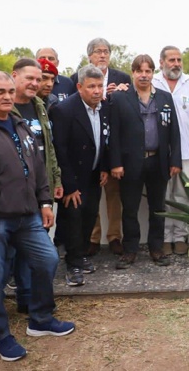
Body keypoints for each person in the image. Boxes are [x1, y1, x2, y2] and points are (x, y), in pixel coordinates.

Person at [0, 71, 74, 362]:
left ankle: (41, 319)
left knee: (48, 260)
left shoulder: (20, 124)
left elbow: (36, 167)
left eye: (10, 91)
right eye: (0, 92)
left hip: (28, 215)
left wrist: (45, 202)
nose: (8, 97)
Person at [108, 55, 182, 269]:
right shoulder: (120, 98)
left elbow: (174, 133)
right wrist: (116, 163)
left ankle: (156, 249)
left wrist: (174, 160)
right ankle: (130, 251)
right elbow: (114, 134)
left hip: (158, 162)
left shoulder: (165, 98)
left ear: (153, 73)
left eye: (148, 71)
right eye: (139, 71)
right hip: (130, 164)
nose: (144, 75)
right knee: (129, 209)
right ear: (133, 73)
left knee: (157, 208)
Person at [9, 58, 63, 312]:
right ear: (14, 76)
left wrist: (56, 178)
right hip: (11, 192)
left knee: (40, 251)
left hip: (40, 188)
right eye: (29, 78)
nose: (35, 83)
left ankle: (30, 301)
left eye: (38, 79)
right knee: (5, 257)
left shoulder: (40, 105)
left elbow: (48, 147)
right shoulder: (3, 107)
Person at [50, 65, 110, 286]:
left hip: (94, 175)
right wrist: (69, 184)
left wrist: (103, 167)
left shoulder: (103, 108)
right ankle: (73, 265)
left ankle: (82, 254)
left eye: (100, 86)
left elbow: (103, 140)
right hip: (73, 178)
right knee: (73, 221)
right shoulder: (64, 110)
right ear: (79, 87)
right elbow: (60, 150)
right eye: (91, 86)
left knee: (89, 217)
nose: (97, 91)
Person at [152, 46, 189, 255]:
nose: (176, 64)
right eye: (171, 60)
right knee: (163, 196)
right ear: (161, 62)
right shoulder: (153, 82)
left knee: (183, 196)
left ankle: (180, 237)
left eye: (179, 60)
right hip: (160, 153)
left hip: (186, 151)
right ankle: (165, 238)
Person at [77, 38, 130, 258]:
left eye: (106, 51)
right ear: (89, 55)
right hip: (89, 145)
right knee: (91, 195)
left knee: (114, 196)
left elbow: (129, 110)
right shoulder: (78, 77)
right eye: (98, 52)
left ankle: (115, 237)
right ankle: (92, 238)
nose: (102, 55)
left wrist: (119, 94)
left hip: (113, 144)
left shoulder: (123, 78)